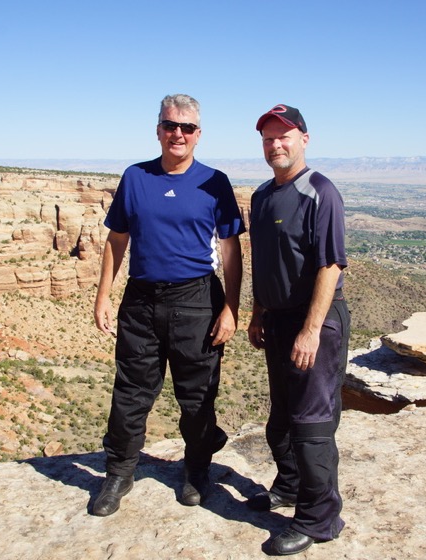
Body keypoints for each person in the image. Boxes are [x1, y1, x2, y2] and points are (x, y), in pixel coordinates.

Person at [91, 93, 244, 516]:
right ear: (158, 129)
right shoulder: (135, 177)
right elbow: (117, 240)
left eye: (187, 127)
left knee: (196, 396)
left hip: (196, 300)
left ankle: (196, 470)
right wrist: (103, 296)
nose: (178, 133)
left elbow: (231, 251)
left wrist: (231, 308)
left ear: (199, 134)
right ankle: (119, 474)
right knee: (131, 392)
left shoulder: (215, 182)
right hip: (140, 300)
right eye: (170, 125)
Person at [246, 104, 350, 555]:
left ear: (304, 139)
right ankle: (288, 487)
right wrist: (257, 312)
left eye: (284, 136)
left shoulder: (320, 192)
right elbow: (264, 263)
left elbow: (331, 265)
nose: (276, 144)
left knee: (312, 426)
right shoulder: (263, 196)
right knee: (282, 419)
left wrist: (310, 330)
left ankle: (319, 519)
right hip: (277, 318)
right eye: (268, 138)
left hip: (316, 322)